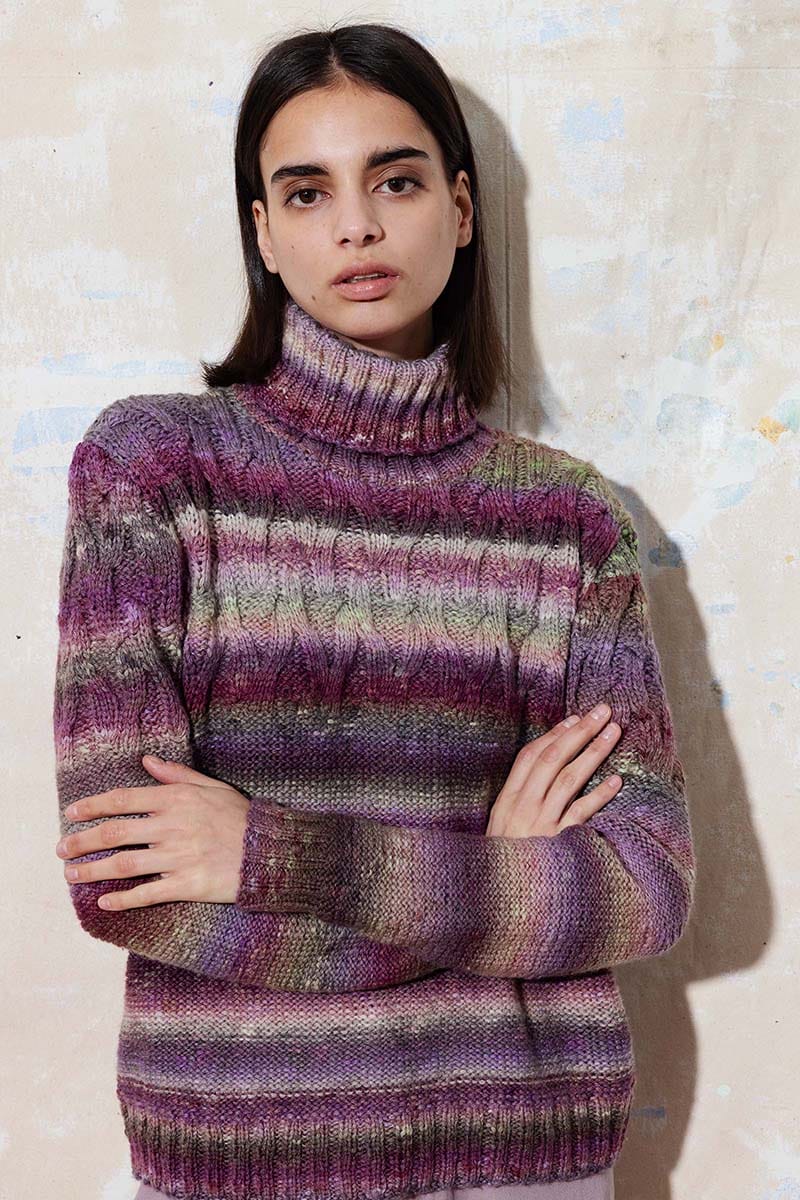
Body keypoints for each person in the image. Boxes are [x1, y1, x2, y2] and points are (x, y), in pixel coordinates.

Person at [52, 22, 695, 1200]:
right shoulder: (150, 471)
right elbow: (126, 882)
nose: (354, 224)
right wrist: (491, 880)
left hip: (521, 1153)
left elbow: (641, 888)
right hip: (240, 1153)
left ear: (460, 207)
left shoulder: (568, 521)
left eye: (394, 181)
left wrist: (266, 856)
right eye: (307, 192)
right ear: (262, 231)